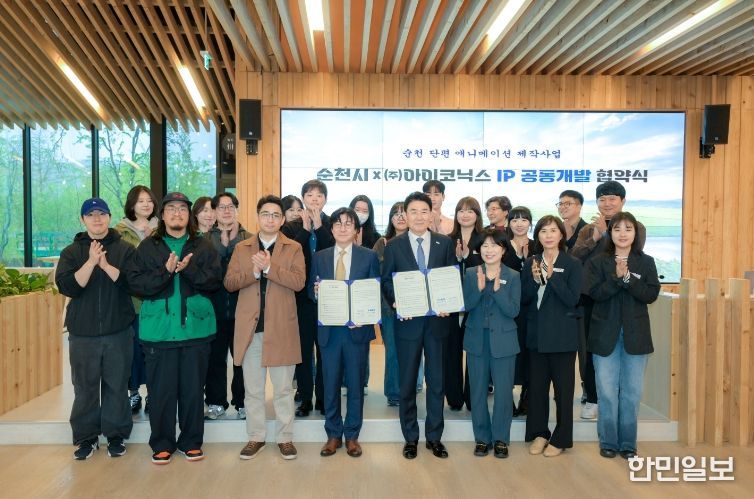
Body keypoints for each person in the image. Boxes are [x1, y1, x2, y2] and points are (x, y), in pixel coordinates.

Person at [126, 192, 222, 465]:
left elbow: (215, 280)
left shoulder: (202, 245)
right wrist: (166, 272)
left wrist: (187, 270)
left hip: (196, 331)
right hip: (159, 332)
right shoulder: (148, 247)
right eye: (171, 209)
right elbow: (136, 284)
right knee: (161, 393)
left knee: (193, 391)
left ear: (188, 215)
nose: (176, 213)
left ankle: (191, 442)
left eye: (182, 209)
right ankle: (162, 443)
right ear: (162, 215)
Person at [225, 195, 306, 461]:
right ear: (257, 217)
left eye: (275, 215)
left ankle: (285, 438)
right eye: (265, 214)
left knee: (283, 390)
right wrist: (254, 273)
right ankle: (256, 437)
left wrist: (270, 268)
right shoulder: (242, 248)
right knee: (253, 390)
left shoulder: (293, 248)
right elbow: (229, 282)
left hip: (281, 328)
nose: (270, 219)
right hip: (251, 330)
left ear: (282, 220)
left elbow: (299, 282)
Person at [56, 198, 136, 460]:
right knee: (85, 388)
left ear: (110, 217)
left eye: (102, 213)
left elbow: (133, 284)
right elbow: (68, 287)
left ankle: (116, 435)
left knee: (117, 386)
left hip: (118, 330)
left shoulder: (125, 249)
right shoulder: (71, 252)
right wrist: (90, 263)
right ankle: (86, 438)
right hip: (83, 333)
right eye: (91, 214)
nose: (97, 218)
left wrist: (105, 265)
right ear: (83, 220)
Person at [382, 191, 456, 460]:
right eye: (413, 211)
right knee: (407, 383)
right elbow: (386, 281)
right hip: (408, 323)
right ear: (405, 215)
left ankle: (434, 437)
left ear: (431, 214)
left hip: (437, 323)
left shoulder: (443, 243)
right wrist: (397, 302)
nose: (419, 216)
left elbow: (451, 277)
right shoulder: (394, 245)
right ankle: (410, 437)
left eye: (424, 211)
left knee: (436, 382)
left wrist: (449, 301)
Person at [585, 212, 660, 459]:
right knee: (606, 392)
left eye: (628, 229)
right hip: (604, 336)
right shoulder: (598, 262)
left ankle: (628, 443)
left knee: (632, 393)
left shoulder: (646, 262)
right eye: (617, 229)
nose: (623, 234)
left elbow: (650, 295)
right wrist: (617, 279)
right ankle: (608, 441)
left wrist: (627, 278)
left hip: (636, 337)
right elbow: (594, 293)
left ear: (635, 233)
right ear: (610, 233)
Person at [571, 181, 647, 420]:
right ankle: (593, 398)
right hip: (591, 297)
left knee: (622, 351)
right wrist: (594, 236)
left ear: (623, 201)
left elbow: (636, 254)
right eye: (602, 199)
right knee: (591, 349)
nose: (607, 203)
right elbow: (574, 257)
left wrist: (607, 234)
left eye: (612, 198)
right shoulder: (588, 229)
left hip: (622, 296)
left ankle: (619, 400)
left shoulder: (635, 226)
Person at [311, 208, 380, 458]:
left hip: (356, 332)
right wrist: (316, 292)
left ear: (356, 230)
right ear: (331, 229)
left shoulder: (369, 257)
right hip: (329, 331)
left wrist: (363, 317)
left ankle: (352, 435)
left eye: (348, 224)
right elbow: (309, 291)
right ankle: (333, 434)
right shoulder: (319, 257)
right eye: (338, 224)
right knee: (330, 385)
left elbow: (373, 293)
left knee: (355, 384)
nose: (342, 228)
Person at [521, 215, 582, 458]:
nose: (548, 235)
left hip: (562, 336)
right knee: (536, 389)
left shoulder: (572, 263)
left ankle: (561, 438)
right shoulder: (531, 262)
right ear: (538, 235)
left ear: (561, 235)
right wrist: (536, 281)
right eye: (543, 231)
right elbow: (524, 298)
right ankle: (539, 434)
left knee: (563, 392)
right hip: (537, 335)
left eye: (553, 230)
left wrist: (551, 277)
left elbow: (572, 299)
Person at [463, 228, 520, 458]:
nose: (489, 250)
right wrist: (478, 290)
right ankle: (482, 438)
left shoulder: (513, 275)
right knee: (477, 391)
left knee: (504, 393)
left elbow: (514, 310)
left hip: (504, 341)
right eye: (484, 246)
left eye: (494, 245)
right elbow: (466, 305)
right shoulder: (470, 273)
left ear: (503, 249)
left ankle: (501, 439)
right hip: (477, 340)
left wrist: (497, 291)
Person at [281, 179, 335, 417]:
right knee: (303, 351)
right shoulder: (290, 226)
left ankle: (323, 397)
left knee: (325, 350)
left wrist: (320, 227)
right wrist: (304, 229)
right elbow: (286, 255)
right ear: (303, 198)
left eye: (319, 195)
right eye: (310, 195)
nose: (314, 199)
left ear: (325, 200)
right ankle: (304, 398)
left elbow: (334, 251)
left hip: (328, 298)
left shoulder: (333, 223)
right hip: (300, 299)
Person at [204, 192, 251, 420]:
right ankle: (216, 402)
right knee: (215, 358)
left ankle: (243, 402)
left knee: (242, 358)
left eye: (231, 206)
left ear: (236, 210)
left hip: (243, 309)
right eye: (221, 207)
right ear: (214, 211)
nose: (226, 211)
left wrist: (231, 245)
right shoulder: (203, 240)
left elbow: (247, 271)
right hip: (213, 309)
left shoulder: (249, 238)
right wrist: (223, 247)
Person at [114, 185, 158, 415]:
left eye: (149, 200)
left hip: (156, 300)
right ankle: (133, 393)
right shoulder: (119, 231)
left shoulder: (161, 228)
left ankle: (152, 393)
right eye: (141, 201)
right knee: (130, 351)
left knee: (152, 351)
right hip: (130, 302)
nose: (146, 204)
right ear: (132, 204)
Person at [447, 196, 484, 411]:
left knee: (475, 353)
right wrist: (457, 259)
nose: (465, 214)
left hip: (477, 303)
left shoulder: (485, 239)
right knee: (451, 352)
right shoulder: (447, 240)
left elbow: (488, 266)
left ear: (477, 215)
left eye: (470, 211)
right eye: (461, 210)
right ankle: (454, 398)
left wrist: (468, 256)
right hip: (451, 305)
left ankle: (472, 397)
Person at [372, 202, 407, 407]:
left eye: (404, 213)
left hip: (414, 305)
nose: (400, 217)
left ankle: (410, 388)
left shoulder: (416, 241)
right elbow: (375, 274)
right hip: (388, 306)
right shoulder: (382, 243)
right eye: (396, 214)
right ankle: (394, 392)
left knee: (412, 351)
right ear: (391, 218)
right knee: (392, 350)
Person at [503, 206, 534, 416]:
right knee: (508, 354)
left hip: (531, 309)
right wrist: (518, 258)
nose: (519, 224)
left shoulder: (538, 244)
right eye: (515, 220)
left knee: (529, 354)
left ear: (530, 223)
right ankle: (507, 399)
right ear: (509, 223)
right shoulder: (502, 245)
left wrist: (527, 258)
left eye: (524, 220)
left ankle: (527, 397)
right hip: (507, 307)